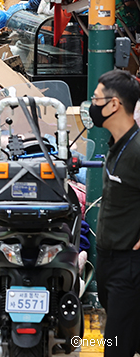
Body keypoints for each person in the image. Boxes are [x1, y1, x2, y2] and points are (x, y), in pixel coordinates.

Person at [90, 70, 140, 357]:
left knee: (116, 347)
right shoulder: (117, 145)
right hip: (108, 260)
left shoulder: (136, 149)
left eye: (96, 98)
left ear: (114, 104)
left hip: (128, 266)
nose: (92, 105)